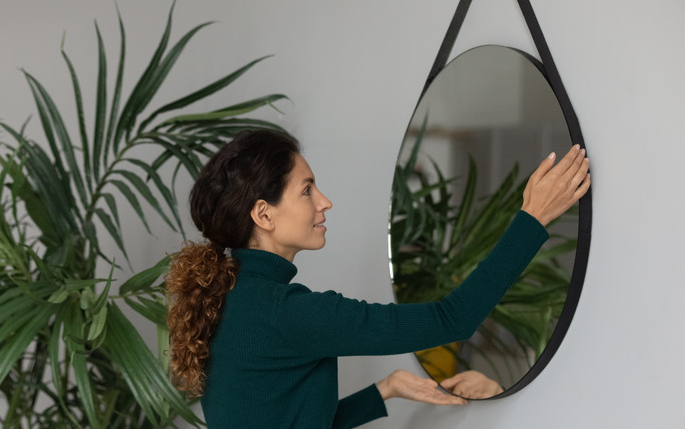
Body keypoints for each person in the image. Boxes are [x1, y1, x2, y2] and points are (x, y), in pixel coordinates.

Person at [166, 129, 590, 428]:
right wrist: (532, 219)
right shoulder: (288, 312)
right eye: (307, 190)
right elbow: (452, 320)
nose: (325, 201)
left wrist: (386, 389)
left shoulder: (231, 297)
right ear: (264, 214)